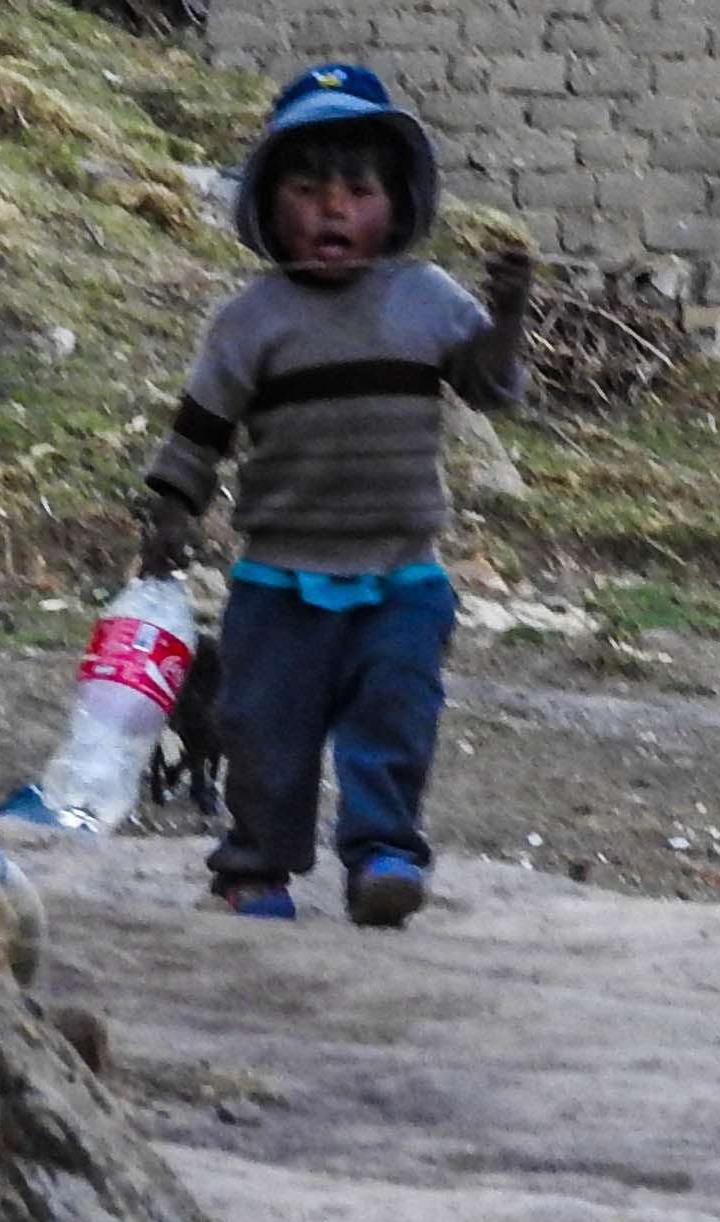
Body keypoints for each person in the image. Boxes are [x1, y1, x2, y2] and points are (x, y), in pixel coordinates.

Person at [134, 62, 531, 926]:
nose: (333, 210)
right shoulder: (251, 321)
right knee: (263, 733)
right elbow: (200, 430)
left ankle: (384, 857)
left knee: (395, 721)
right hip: (279, 582)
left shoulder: (428, 300)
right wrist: (172, 510)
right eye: (308, 191)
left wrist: (506, 320)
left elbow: (491, 387)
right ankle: (256, 866)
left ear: (396, 204)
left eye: (357, 191)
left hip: (402, 577)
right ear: (268, 206)